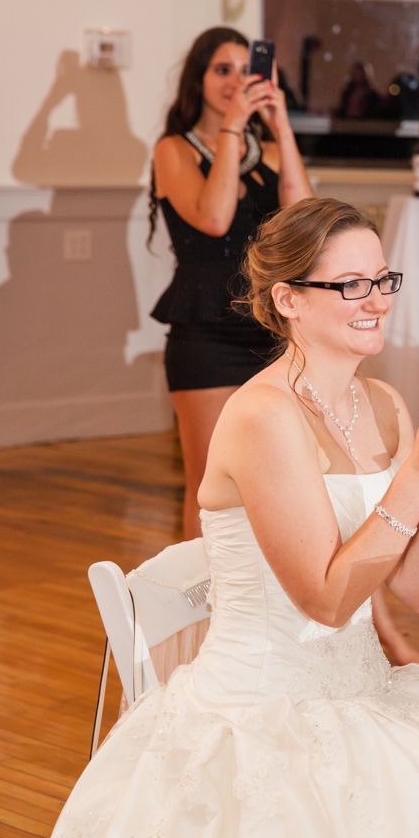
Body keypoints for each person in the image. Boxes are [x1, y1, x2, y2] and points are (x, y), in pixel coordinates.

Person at [47, 198, 419, 838]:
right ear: (289, 299)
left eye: (383, 280)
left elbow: (411, 590)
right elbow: (326, 600)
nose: (377, 300)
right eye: (352, 285)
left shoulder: (381, 404)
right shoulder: (263, 416)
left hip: (365, 690)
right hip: (260, 714)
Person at [149, 27, 314, 540]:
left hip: (271, 329)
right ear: (198, 80)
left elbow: (307, 222)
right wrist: (234, 128)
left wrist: (281, 130)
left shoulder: (265, 152)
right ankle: (199, 612)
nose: (237, 82)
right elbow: (214, 217)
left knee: (282, 477)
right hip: (206, 334)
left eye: (247, 70)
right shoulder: (173, 150)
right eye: (223, 70)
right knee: (208, 482)